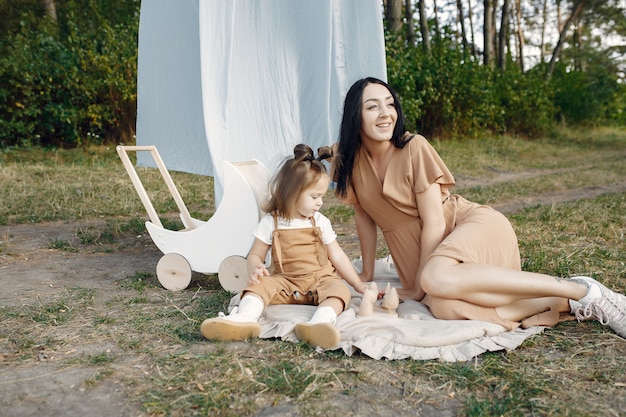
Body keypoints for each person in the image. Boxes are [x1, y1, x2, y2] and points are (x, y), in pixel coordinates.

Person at [332, 76, 626, 336]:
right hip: (422, 262)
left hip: (467, 228)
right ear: (354, 116)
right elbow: (364, 218)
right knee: (444, 307)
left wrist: (420, 285)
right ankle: (565, 302)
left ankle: (583, 290)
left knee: (435, 281)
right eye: (373, 107)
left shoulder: (413, 147)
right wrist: (366, 274)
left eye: (390, 104)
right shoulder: (348, 161)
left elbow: (434, 222)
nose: (386, 114)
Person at [201, 144, 370, 349]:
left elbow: (338, 255)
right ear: (292, 194)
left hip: (320, 280)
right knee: (257, 287)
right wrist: (255, 268)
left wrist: (358, 284)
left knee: (340, 291)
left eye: (322, 197)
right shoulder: (271, 223)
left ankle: (320, 323)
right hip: (286, 282)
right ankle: (244, 318)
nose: (320, 203)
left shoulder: (319, 221)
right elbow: (255, 254)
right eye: (314, 197)